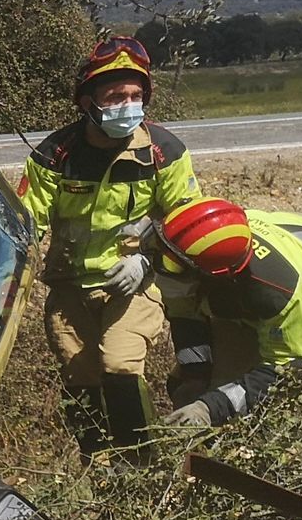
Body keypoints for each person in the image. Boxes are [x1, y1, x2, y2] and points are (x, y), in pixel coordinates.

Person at [19, 36, 203, 461]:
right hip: (70, 288)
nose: (128, 105)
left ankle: (141, 466)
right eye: (116, 96)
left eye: (136, 96)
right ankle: (99, 469)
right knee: (79, 377)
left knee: (120, 365)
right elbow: (27, 224)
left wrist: (146, 261)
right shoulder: (55, 154)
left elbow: (187, 225)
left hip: (135, 283)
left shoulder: (163, 152)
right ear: (88, 102)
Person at [154, 198, 302, 428]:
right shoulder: (195, 245)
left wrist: (211, 409)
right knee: (211, 383)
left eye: (171, 265)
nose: (159, 265)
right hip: (259, 277)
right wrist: (195, 376)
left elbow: (287, 369)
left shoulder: (278, 293)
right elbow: (185, 315)